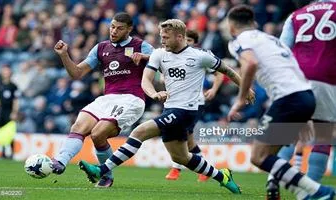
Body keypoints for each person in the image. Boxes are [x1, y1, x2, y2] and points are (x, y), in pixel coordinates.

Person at [78, 19, 255, 193]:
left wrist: (246, 89)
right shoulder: (159, 55)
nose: (162, 41)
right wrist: (154, 93)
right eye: (161, 37)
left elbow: (228, 71)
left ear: (179, 37)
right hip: (169, 109)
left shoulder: (200, 56)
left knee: (139, 132)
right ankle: (222, 176)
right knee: (182, 157)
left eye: (165, 38)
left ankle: (101, 170)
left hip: (187, 110)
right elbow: (145, 80)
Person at [226, 5, 335, 200]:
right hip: (307, 94)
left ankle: (318, 191)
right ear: (255, 23)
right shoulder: (269, 39)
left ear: (231, 28)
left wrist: (241, 98)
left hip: (288, 98)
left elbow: (250, 63)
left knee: (258, 156)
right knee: (276, 150)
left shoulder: (238, 41)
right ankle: (302, 192)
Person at [51, 12, 153, 188]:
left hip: (132, 98)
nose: (114, 31)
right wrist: (64, 55)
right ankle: (60, 162)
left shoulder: (141, 46)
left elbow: (167, 61)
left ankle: (105, 174)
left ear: (130, 29)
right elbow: (77, 73)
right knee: (78, 126)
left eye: (119, 28)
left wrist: (146, 58)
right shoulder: (101, 48)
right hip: (107, 98)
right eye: (112, 26)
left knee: (98, 134)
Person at [266, 0, 336, 199]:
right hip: (327, 78)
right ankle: (311, 190)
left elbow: (282, 50)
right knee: (324, 136)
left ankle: (273, 179)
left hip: (296, 79)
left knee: (288, 133)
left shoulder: (296, 15)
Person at [165, 29, 224, 182]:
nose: (187, 43)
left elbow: (220, 72)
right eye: (186, 40)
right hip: (176, 101)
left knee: (183, 135)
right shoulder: (171, 55)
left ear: (194, 42)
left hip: (195, 103)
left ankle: (176, 169)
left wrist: (214, 89)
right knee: (188, 139)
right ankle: (203, 169)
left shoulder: (201, 55)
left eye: (190, 41)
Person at [0, 65, 20, 159]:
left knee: (10, 133)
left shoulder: (13, 86)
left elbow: (16, 100)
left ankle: (11, 153)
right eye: (4, 71)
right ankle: (3, 153)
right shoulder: (0, 86)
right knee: (1, 132)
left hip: (9, 111)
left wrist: (14, 112)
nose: (5, 73)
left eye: (7, 71)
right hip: (2, 112)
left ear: (10, 73)